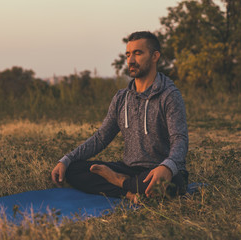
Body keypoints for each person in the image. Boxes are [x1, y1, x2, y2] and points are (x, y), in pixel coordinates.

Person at [51, 31, 189, 203]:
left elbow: (180, 139)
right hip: (129, 169)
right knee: (73, 169)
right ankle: (130, 193)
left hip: (160, 171)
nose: (131, 60)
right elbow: (101, 138)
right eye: (128, 54)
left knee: (171, 184)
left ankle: (118, 182)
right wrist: (66, 159)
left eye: (138, 53)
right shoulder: (121, 98)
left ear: (155, 56)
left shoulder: (169, 95)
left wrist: (167, 167)